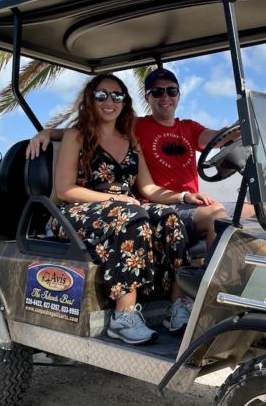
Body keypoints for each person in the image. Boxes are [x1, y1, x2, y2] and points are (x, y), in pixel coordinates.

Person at [28, 68, 253, 249]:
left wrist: (243, 128)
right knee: (216, 217)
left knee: (257, 212)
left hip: (187, 200)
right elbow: (96, 128)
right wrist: (49, 133)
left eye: (171, 91)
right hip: (157, 203)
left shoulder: (189, 128)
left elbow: (217, 138)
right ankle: (211, 291)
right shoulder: (136, 126)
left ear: (178, 95)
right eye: (157, 92)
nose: (165, 97)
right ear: (148, 97)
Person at [50, 74, 193, 344]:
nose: (109, 101)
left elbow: (149, 189)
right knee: (133, 218)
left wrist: (184, 197)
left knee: (170, 219)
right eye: (101, 95)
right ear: (90, 100)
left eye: (117, 96)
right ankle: (123, 315)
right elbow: (65, 190)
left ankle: (176, 306)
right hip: (78, 211)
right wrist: (114, 201)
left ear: (125, 102)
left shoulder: (130, 139)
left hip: (126, 209)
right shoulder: (77, 135)